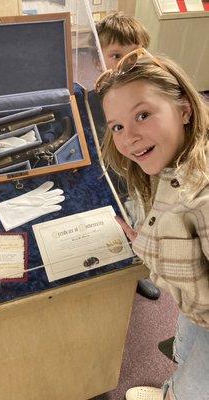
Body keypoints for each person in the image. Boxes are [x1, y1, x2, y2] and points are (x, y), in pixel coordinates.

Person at [95, 48, 209, 400]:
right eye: (117, 126)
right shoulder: (174, 159)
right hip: (198, 310)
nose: (128, 137)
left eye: (142, 115)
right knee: (186, 351)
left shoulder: (202, 197)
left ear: (184, 110)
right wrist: (151, 240)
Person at [95, 12, 160, 300]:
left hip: (140, 169)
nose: (125, 63)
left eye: (134, 54)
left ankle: (139, 270)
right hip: (109, 171)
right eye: (116, 54)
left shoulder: (148, 90)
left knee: (142, 219)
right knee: (113, 221)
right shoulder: (93, 93)